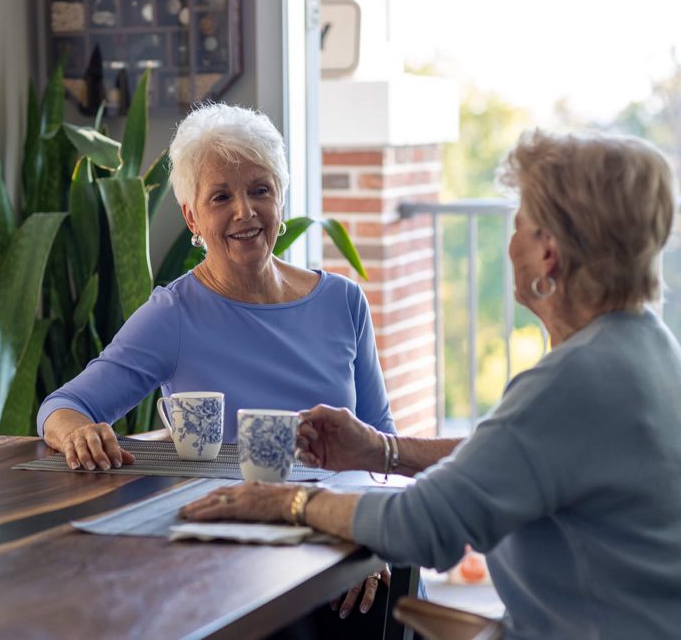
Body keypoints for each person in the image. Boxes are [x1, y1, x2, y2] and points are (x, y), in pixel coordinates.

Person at [182, 130, 681, 639]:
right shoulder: (650, 352)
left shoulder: (573, 383)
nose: (510, 244)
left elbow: (421, 526)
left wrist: (289, 503)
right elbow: (503, 459)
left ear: (548, 252)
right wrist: (382, 450)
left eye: (519, 225)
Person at [38, 103, 397, 620]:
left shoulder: (343, 301)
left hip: (336, 548)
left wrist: (369, 536)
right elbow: (63, 405)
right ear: (192, 217)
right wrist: (77, 433)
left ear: (280, 196)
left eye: (259, 190)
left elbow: (383, 444)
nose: (245, 212)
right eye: (221, 197)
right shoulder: (173, 315)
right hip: (226, 561)